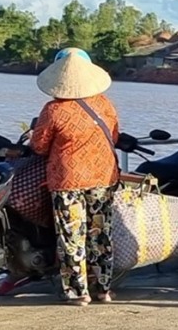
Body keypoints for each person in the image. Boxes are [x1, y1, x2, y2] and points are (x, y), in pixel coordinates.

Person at [29, 48, 121, 305]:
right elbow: (113, 137)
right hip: (103, 177)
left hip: (67, 181)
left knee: (72, 236)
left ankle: (78, 292)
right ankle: (103, 290)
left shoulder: (53, 110)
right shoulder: (105, 104)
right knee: (100, 235)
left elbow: (39, 146)